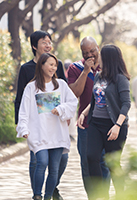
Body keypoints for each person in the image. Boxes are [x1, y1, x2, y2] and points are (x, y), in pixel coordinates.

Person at [14, 30, 68, 200]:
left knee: (60, 161)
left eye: (49, 42)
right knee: (38, 161)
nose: (48, 45)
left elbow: (64, 93)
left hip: (55, 123)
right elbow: (20, 99)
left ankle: (52, 188)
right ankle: (37, 193)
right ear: (34, 46)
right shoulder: (26, 69)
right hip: (36, 125)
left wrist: (65, 113)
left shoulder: (56, 66)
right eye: (44, 42)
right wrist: (21, 125)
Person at [77, 44, 131, 199]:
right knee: (91, 157)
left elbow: (126, 103)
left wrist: (117, 125)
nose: (97, 57)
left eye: (100, 55)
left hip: (114, 125)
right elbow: (95, 99)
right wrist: (84, 113)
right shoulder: (99, 76)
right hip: (96, 123)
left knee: (112, 163)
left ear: (108, 58)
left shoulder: (121, 79)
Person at [67, 36, 110, 195]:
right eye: (86, 53)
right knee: (86, 162)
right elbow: (74, 93)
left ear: (98, 48)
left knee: (104, 162)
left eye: (92, 50)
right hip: (85, 125)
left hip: (106, 122)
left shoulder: (108, 67)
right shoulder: (75, 68)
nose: (90, 55)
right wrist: (86, 70)